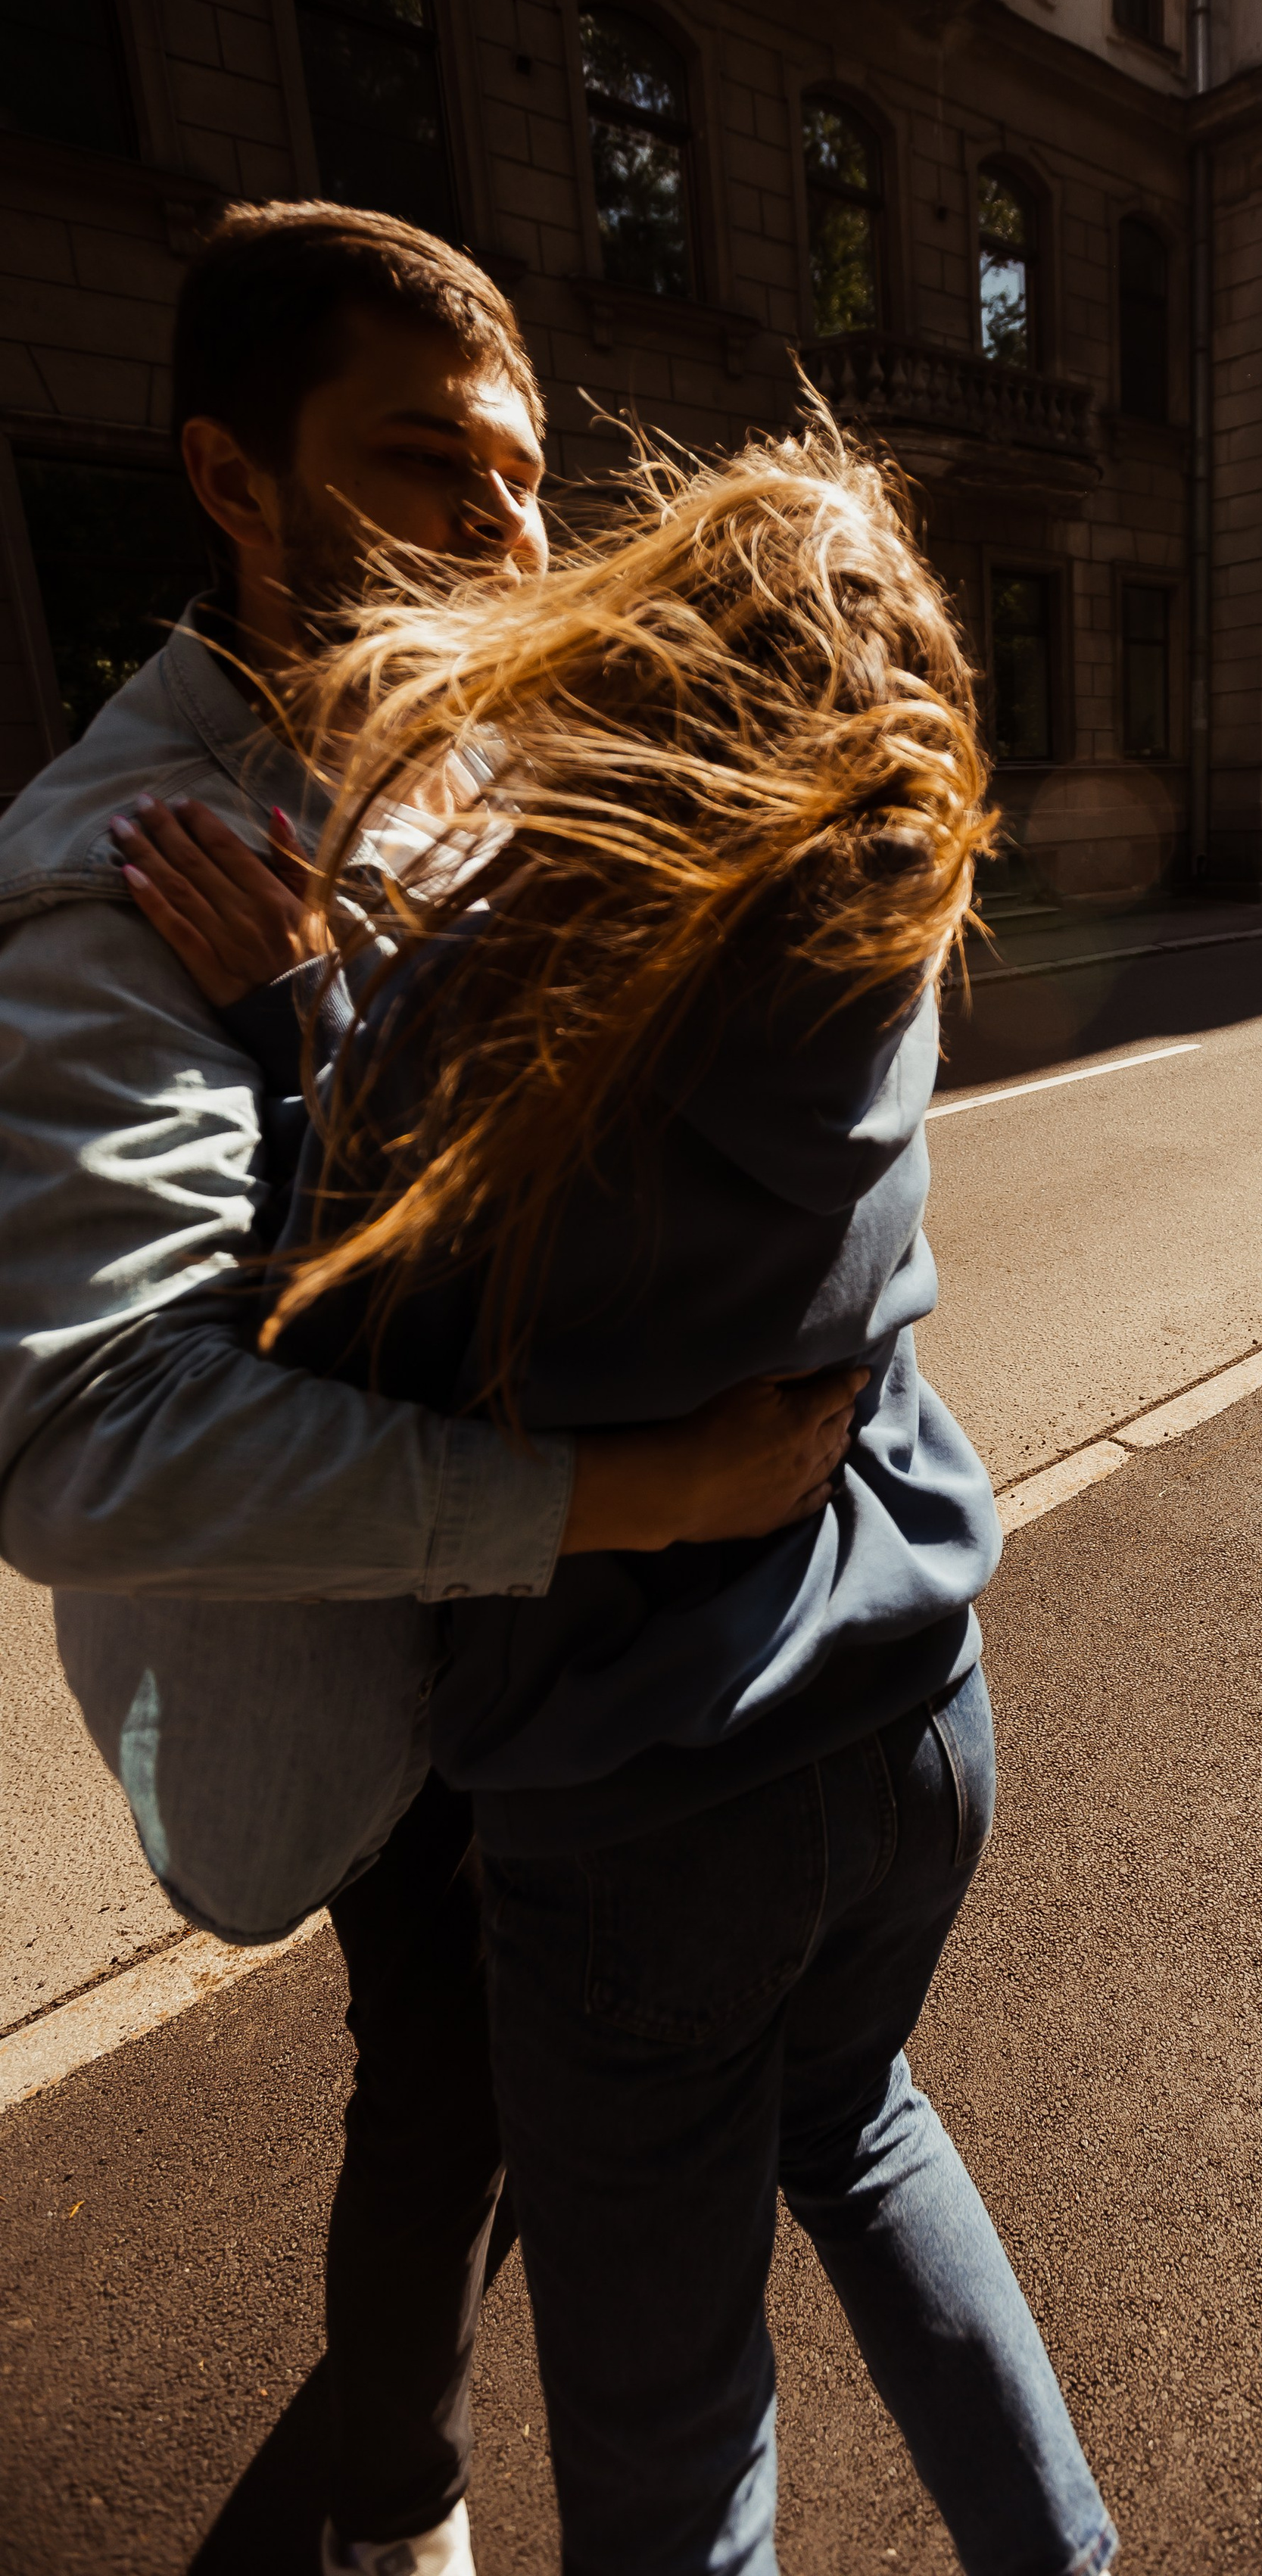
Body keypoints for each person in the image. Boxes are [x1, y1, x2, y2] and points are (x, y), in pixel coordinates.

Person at [0, 202, 854, 2576]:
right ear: (230, 477)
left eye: (516, 473)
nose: (502, 534)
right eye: (421, 467)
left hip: (540, 1649)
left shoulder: (457, 769)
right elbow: (85, 1443)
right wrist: (631, 1495)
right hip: (393, 1686)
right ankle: (403, 2518)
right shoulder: (122, 872)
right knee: (453, 2090)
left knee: (535, 2082)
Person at [201, 414, 1119, 2576]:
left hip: (650, 1798)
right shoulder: (876, 939)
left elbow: (329, 1353)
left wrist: (278, 1029)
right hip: (916, 1721)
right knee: (861, 2122)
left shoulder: (519, 992)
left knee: (666, 2435)